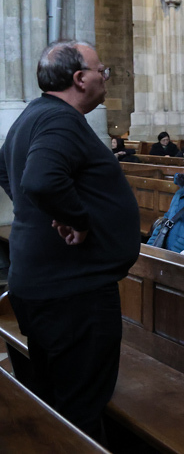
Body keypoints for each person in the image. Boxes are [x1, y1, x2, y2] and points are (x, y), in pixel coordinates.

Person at [0, 40, 140, 442]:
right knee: (79, 409)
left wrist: (38, 211)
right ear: (80, 79)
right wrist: (73, 218)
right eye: (102, 71)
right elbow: (41, 180)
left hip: (49, 285)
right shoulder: (60, 121)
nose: (106, 79)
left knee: (58, 402)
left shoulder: (34, 114)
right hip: (74, 294)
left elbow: (6, 170)